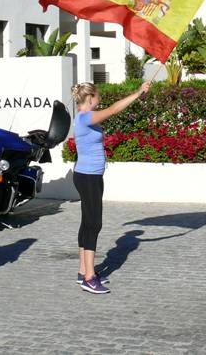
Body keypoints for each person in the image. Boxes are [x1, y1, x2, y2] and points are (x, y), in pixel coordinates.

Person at [71, 80, 151, 294]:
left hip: (89, 176)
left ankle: (83, 272)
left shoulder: (83, 118)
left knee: (88, 223)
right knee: (93, 224)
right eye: (98, 96)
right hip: (88, 177)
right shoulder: (86, 117)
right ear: (90, 98)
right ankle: (89, 277)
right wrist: (138, 92)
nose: (100, 99)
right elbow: (114, 109)